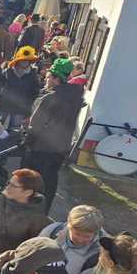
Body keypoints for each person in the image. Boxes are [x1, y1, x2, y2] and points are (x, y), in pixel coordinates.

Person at [21, 58, 84, 213]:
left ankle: (24, 211)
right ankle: (43, 212)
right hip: (60, 147)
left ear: (56, 79)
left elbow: (35, 124)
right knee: (49, 182)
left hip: (41, 147)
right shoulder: (76, 98)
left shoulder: (50, 98)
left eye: (49, 77)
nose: (46, 79)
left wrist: (26, 140)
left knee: (30, 180)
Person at [0, 169, 51, 264]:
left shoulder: (37, 219)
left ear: (28, 192)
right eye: (8, 183)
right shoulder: (1, 199)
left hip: (7, 266)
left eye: (13, 186)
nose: (7, 187)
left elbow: (31, 251)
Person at [39, 205, 106, 274]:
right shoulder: (52, 231)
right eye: (77, 234)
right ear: (69, 225)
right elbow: (29, 257)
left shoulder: (96, 256)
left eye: (87, 236)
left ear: (96, 233)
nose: (80, 240)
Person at [0, 46, 40, 129]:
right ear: (18, 60)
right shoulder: (7, 72)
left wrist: (28, 112)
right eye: (23, 60)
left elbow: (34, 95)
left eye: (27, 60)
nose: (25, 62)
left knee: (14, 132)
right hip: (3, 108)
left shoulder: (33, 76)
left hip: (20, 111)